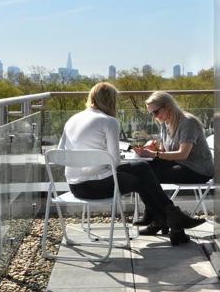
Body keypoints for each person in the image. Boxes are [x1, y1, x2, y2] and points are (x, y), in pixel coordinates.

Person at [57, 82, 204, 245]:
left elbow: (59, 155)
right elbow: (114, 162)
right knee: (142, 179)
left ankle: (167, 220)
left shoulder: (72, 119)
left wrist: (97, 157)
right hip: (97, 187)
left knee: (143, 168)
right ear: (111, 101)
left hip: (75, 186)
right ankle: (173, 219)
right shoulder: (109, 121)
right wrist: (106, 157)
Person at [132, 91, 214, 227]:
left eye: (156, 112)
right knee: (142, 169)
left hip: (197, 170)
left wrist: (154, 154)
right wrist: (153, 150)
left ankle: (157, 218)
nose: (154, 117)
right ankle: (159, 217)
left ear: (168, 106)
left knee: (145, 175)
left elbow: (183, 154)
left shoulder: (187, 122)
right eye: (151, 114)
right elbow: (166, 151)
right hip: (180, 164)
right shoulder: (166, 123)